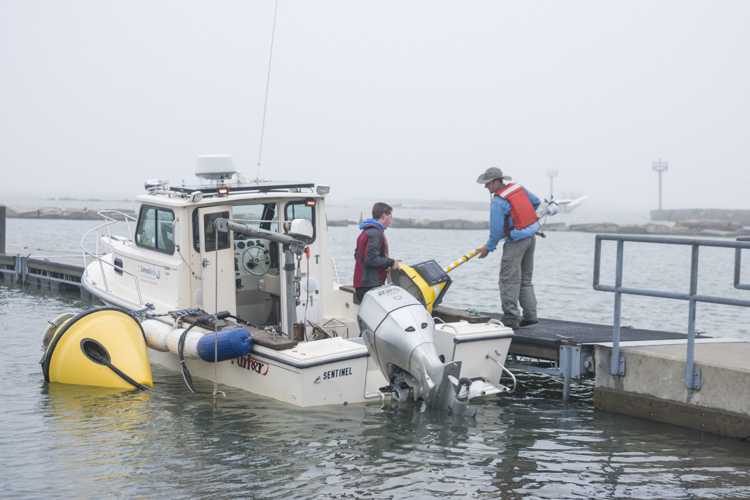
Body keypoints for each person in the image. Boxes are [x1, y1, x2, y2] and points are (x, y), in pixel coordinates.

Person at [476, 167, 541, 329]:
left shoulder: (498, 202)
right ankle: (530, 316)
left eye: (487, 183)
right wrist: (522, 219)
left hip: (516, 241)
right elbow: (536, 202)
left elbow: (496, 230)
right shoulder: (517, 188)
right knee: (525, 280)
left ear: (497, 181)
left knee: (507, 279)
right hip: (531, 237)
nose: (486, 187)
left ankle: (511, 319)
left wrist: (488, 248)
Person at [353, 202, 402, 302]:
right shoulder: (375, 233)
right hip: (369, 285)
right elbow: (371, 259)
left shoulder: (366, 231)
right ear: (384, 216)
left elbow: (358, 255)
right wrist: (391, 262)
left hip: (363, 284)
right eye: (390, 217)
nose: (391, 221)